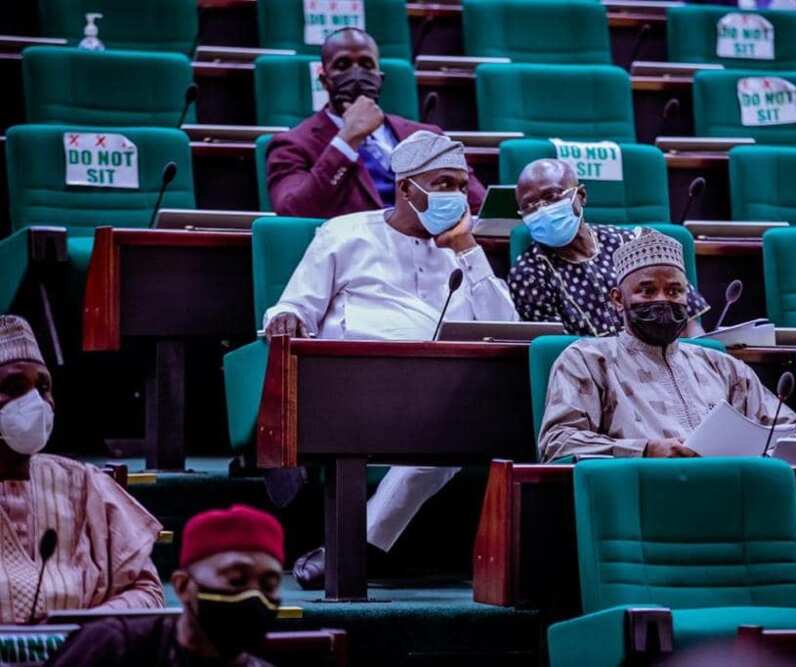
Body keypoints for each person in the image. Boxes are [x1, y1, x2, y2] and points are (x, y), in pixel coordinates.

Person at [265, 130, 518, 588]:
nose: (458, 197)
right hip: (353, 388)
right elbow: (294, 307)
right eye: (443, 184)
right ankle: (357, 545)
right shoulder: (346, 233)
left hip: (439, 398)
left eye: (462, 186)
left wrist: (468, 251)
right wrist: (283, 317)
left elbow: (507, 328)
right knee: (445, 432)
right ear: (406, 188)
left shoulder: (463, 254)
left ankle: (353, 547)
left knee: (450, 439)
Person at [537, 230, 796, 462]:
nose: (663, 299)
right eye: (647, 290)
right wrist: (644, 451)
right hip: (639, 498)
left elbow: (793, 433)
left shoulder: (721, 365)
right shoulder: (588, 360)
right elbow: (558, 442)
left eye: (674, 291)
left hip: (729, 491)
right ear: (618, 299)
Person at [0, 315, 163, 623]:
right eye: (14, 386)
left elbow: (147, 593)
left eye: (43, 387)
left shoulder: (84, 484)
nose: (35, 402)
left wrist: (83, 632)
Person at [266, 27, 486, 218]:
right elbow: (293, 212)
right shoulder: (292, 144)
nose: (356, 73)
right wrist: (346, 141)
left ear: (379, 76)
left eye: (366, 64)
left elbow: (478, 206)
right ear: (324, 80)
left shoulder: (426, 135)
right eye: (342, 65)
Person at [47, 505, 284, 667]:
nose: (254, 595)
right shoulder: (113, 647)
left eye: (269, 585)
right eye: (236, 580)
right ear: (182, 586)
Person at [508, 159, 709, 338]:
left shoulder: (633, 242)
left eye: (552, 196)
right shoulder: (528, 274)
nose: (542, 209)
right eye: (530, 205)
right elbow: (556, 349)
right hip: (593, 369)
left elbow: (688, 324)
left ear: (581, 195)